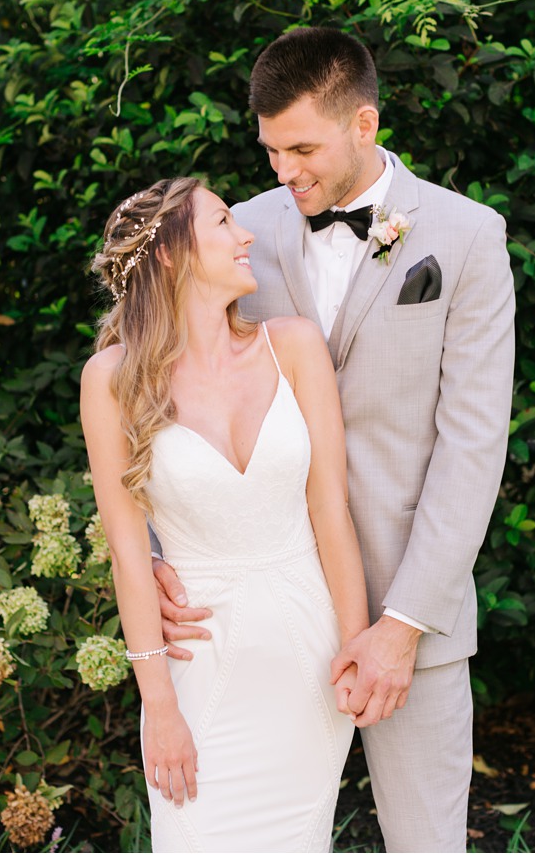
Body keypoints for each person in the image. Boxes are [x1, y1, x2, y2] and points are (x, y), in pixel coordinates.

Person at [154, 27, 515, 851]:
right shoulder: (233, 233)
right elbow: (157, 397)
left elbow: (472, 448)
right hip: (252, 619)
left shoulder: (465, 238)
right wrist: (153, 552)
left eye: (303, 148)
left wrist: (404, 624)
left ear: (364, 125)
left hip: (403, 620)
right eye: (272, 151)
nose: (285, 173)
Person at [82, 176, 368, 851]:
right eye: (222, 224)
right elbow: (128, 552)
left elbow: (331, 510)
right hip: (198, 663)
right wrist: (158, 705)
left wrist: (356, 647)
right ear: (171, 255)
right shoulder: (113, 382)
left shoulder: (294, 346)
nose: (246, 237)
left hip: (308, 659)